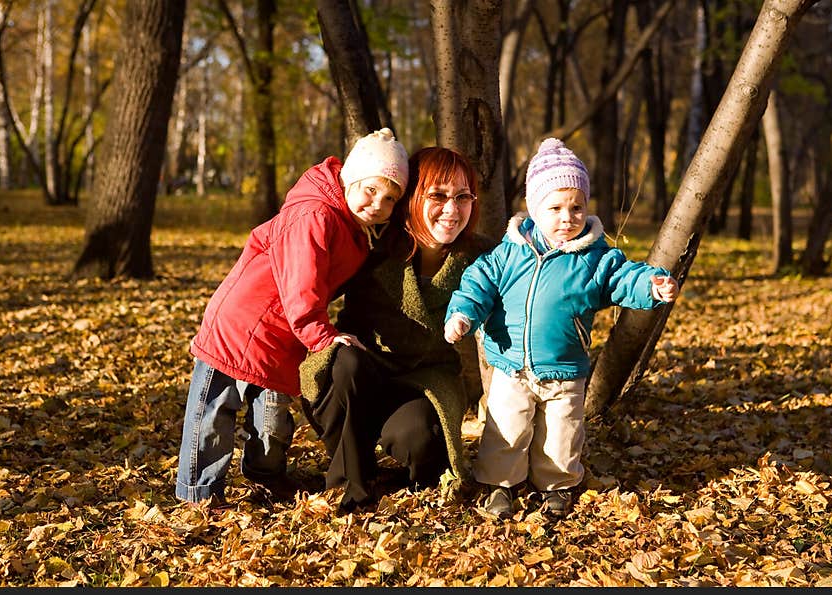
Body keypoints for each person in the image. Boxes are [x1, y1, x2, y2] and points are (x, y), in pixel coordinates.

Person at [444, 137, 679, 520]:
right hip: (511, 365)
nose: (567, 217)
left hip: (566, 369)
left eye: (576, 207)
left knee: (562, 435)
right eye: (555, 208)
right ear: (534, 209)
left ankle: (557, 485)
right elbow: (477, 282)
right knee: (506, 430)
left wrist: (650, 285)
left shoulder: (593, 257)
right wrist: (463, 314)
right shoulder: (510, 252)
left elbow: (623, 277)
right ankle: (500, 486)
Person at [175, 128, 409, 504]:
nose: (378, 204)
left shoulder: (353, 230)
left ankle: (266, 475)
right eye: (370, 190)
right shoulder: (313, 215)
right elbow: (301, 284)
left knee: (272, 420)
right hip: (239, 325)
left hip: (282, 335)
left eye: (389, 199)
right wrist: (322, 337)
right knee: (213, 413)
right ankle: (198, 493)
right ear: (351, 177)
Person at [299, 146, 497, 510]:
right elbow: (304, 280)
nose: (452, 210)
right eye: (437, 196)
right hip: (357, 376)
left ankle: (382, 475)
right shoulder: (373, 244)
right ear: (412, 198)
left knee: (424, 445)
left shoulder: (482, 257)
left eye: (462, 197)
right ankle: (348, 482)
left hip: (423, 380)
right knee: (345, 362)